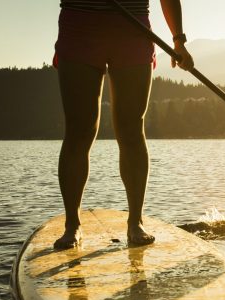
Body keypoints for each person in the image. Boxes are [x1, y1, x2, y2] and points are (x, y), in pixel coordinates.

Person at [53, 0, 193, 249]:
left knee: (131, 129)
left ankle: (135, 221)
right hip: (79, 28)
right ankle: (72, 225)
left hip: (132, 29)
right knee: (80, 130)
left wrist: (178, 40)